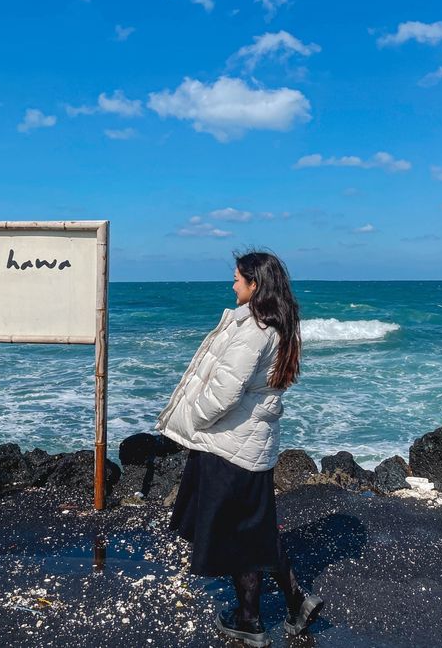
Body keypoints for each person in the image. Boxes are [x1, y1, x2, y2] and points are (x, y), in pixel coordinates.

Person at [156, 251, 323, 647]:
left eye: (237, 279)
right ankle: (289, 603)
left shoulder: (254, 330)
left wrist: (195, 418)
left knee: (238, 534)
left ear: (255, 284)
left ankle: (253, 620)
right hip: (253, 443)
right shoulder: (280, 326)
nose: (232, 286)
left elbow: (224, 391)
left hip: (230, 443)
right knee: (254, 529)